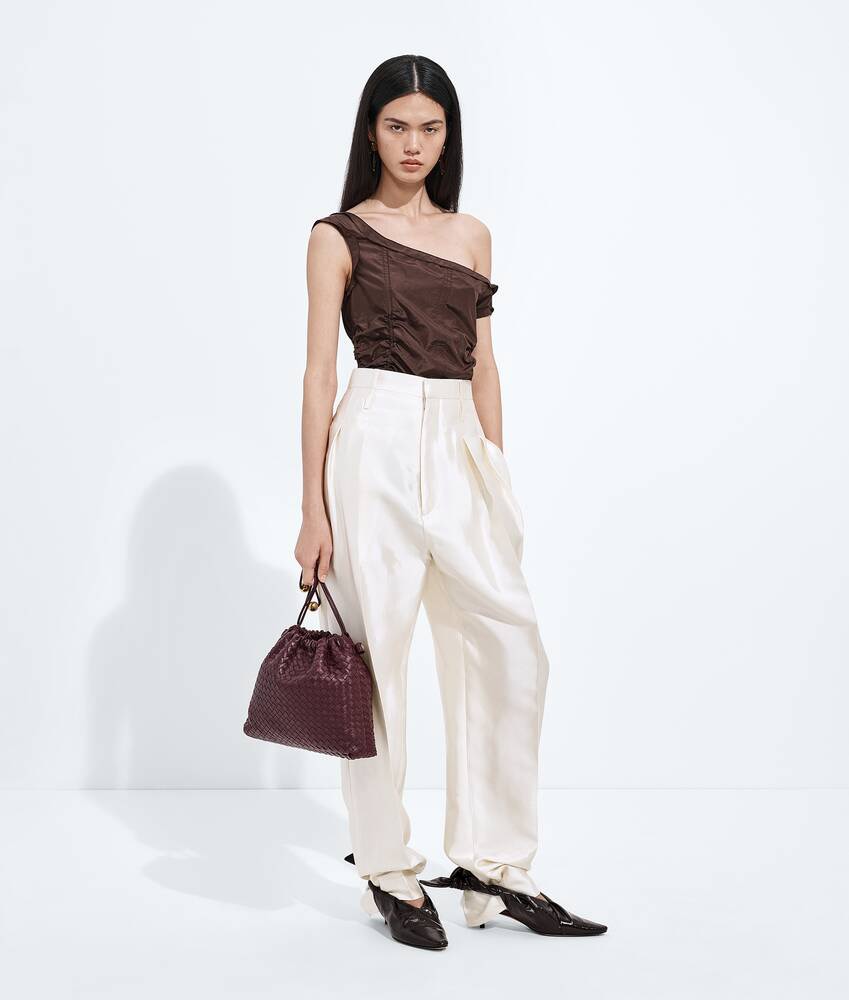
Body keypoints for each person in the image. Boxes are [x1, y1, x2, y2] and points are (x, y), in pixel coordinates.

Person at [295, 54, 607, 950]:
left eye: (429, 128)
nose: (413, 144)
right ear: (370, 132)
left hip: (460, 442)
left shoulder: (471, 235)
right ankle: (388, 873)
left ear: (448, 136)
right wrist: (312, 509)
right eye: (397, 126)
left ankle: (493, 867)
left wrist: (495, 475)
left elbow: (484, 365)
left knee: (507, 642)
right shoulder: (337, 235)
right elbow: (318, 373)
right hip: (373, 436)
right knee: (378, 659)